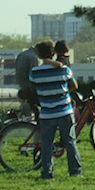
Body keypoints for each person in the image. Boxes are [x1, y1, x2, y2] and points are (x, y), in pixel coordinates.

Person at [29, 40, 82, 179]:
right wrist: (64, 93)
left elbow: (34, 88)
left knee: (47, 144)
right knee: (70, 142)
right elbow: (74, 85)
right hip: (64, 110)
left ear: (39, 55)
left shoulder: (34, 72)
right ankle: (75, 171)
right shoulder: (64, 69)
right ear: (53, 53)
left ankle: (47, 172)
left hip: (46, 112)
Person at [15, 44, 41, 117]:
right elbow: (35, 75)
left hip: (23, 86)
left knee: (26, 110)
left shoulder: (21, 54)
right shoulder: (34, 57)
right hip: (31, 88)